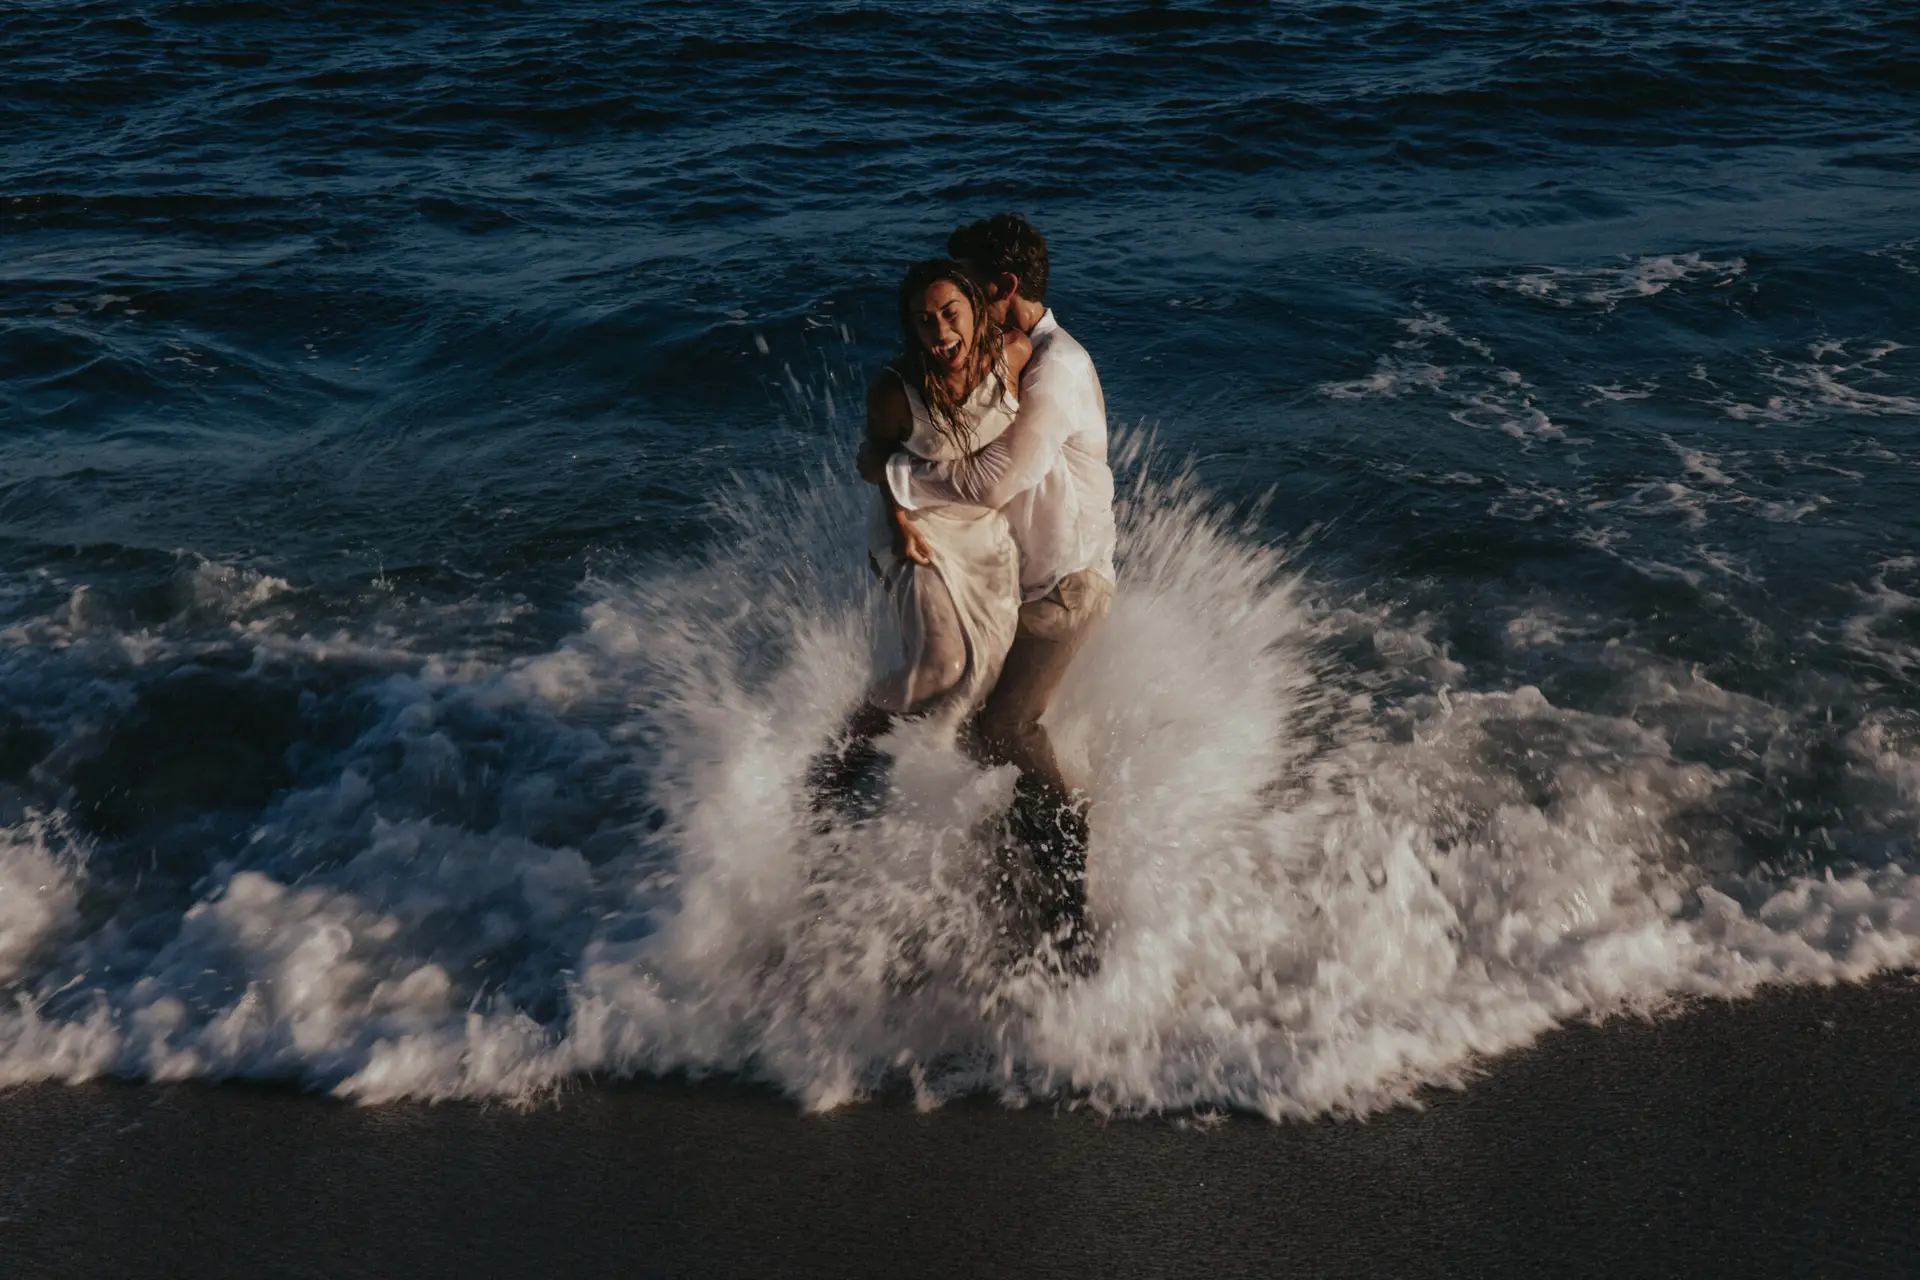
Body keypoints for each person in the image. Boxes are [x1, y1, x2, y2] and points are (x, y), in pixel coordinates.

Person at [860, 215, 1118, 961]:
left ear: (999, 289)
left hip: (1065, 586)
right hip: (1024, 584)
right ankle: (1023, 879)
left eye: (969, 285)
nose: (959, 300)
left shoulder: (1053, 369)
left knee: (1001, 729)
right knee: (978, 725)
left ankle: (1069, 898)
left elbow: (994, 481)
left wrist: (896, 481)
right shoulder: (1012, 356)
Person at [807, 259, 1033, 817]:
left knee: (986, 674)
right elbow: (877, 460)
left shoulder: (1014, 355)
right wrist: (900, 521)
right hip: (913, 525)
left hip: (982, 529)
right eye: (925, 321)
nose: (940, 334)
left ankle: (937, 778)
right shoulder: (895, 390)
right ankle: (841, 757)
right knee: (941, 668)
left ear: (975, 311)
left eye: (950, 314)